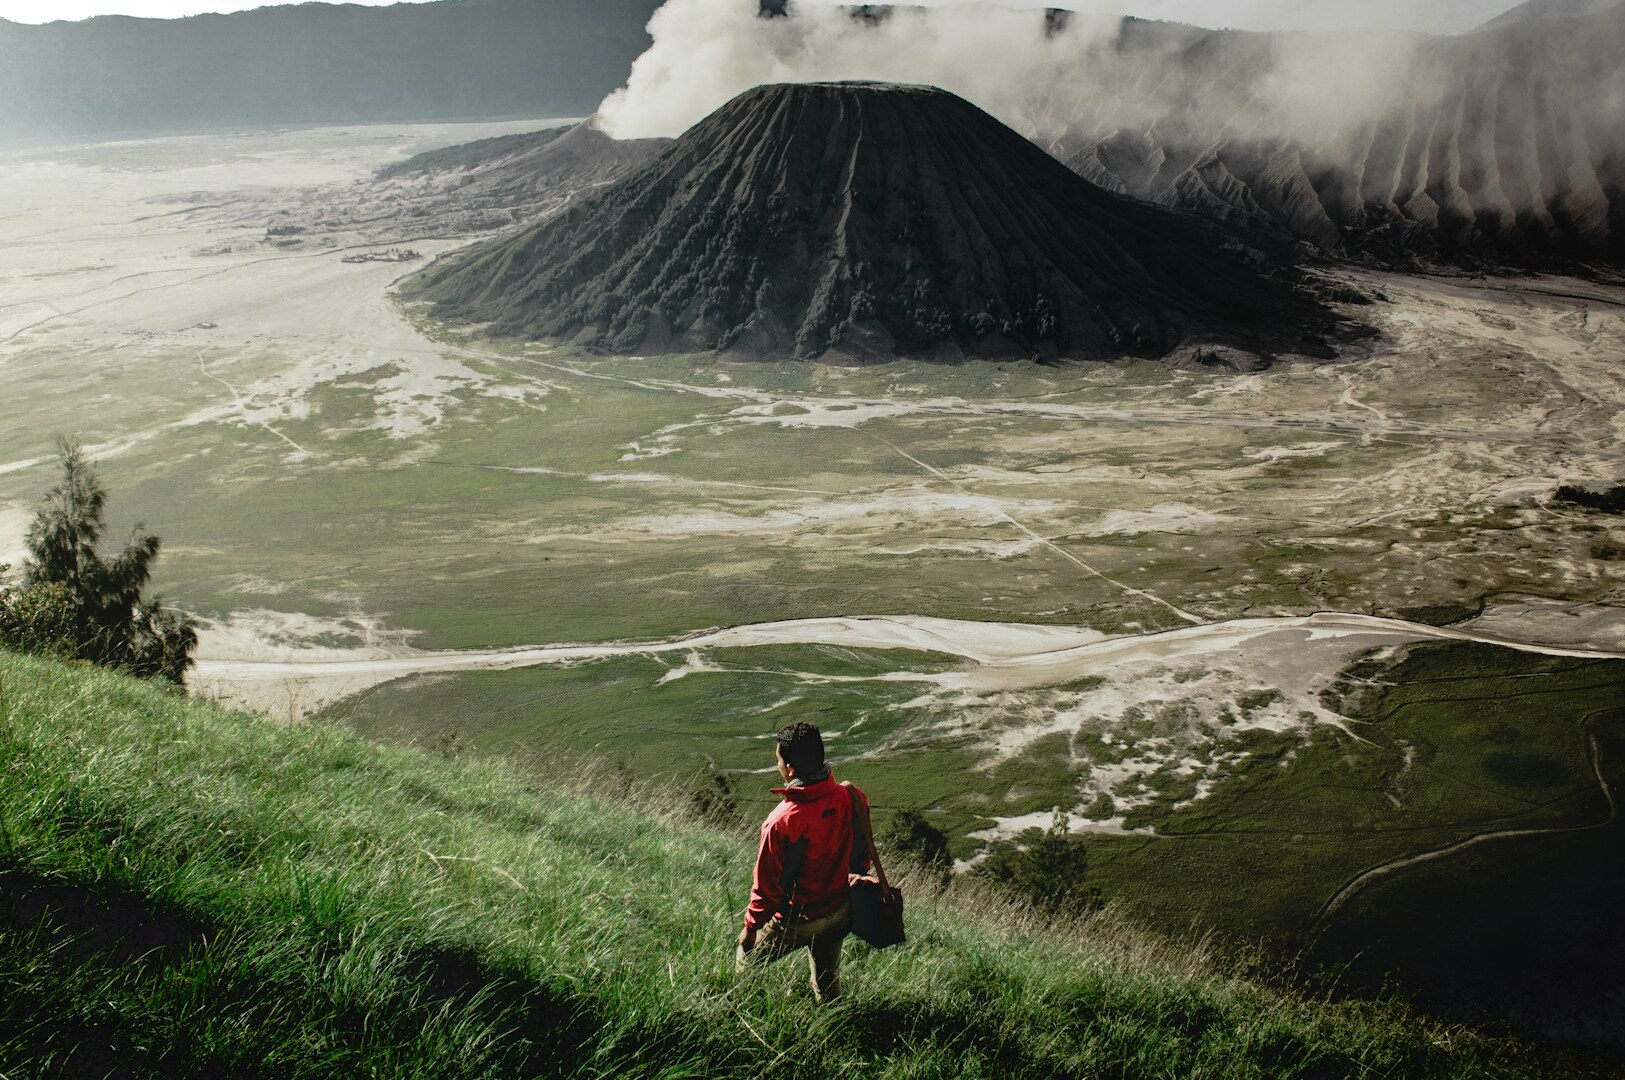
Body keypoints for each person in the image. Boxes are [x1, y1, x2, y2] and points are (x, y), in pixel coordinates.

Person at [736, 721, 871, 1002]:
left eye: (778, 760)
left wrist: (750, 929)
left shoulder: (781, 822)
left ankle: (737, 1007)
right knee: (828, 982)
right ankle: (833, 1023)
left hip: (796, 920)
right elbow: (862, 851)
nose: (778, 765)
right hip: (839, 910)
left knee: (746, 965)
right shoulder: (850, 796)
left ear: (790, 769)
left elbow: (766, 889)